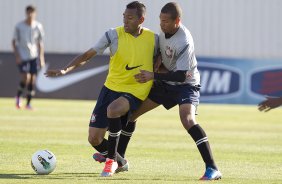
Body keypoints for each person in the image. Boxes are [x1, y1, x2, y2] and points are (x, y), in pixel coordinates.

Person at [94, 2, 222, 180]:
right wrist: (158, 58)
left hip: (186, 85)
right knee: (131, 115)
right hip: (166, 84)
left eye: (166, 21)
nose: (162, 25)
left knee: (188, 119)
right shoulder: (163, 33)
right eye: (160, 21)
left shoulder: (184, 40)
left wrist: (152, 75)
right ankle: (118, 159)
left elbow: (181, 76)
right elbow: (163, 52)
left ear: (177, 21)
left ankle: (212, 168)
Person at [45, 1, 158, 177]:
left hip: (135, 90)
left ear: (141, 19)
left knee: (113, 110)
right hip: (110, 88)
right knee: (94, 138)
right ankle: (121, 162)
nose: (125, 21)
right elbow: (87, 55)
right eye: (124, 17)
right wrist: (64, 70)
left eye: (130, 18)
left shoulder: (154, 39)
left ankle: (111, 162)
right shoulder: (112, 35)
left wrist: (154, 74)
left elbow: (162, 61)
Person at [12, 5, 45, 110]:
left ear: (35, 14)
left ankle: (28, 104)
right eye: (28, 12)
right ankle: (18, 97)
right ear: (26, 13)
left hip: (33, 56)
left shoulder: (38, 26)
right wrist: (17, 56)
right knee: (26, 77)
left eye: (32, 12)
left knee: (32, 79)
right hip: (23, 56)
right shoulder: (19, 26)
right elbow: (14, 42)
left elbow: (40, 43)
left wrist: (41, 57)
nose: (30, 14)